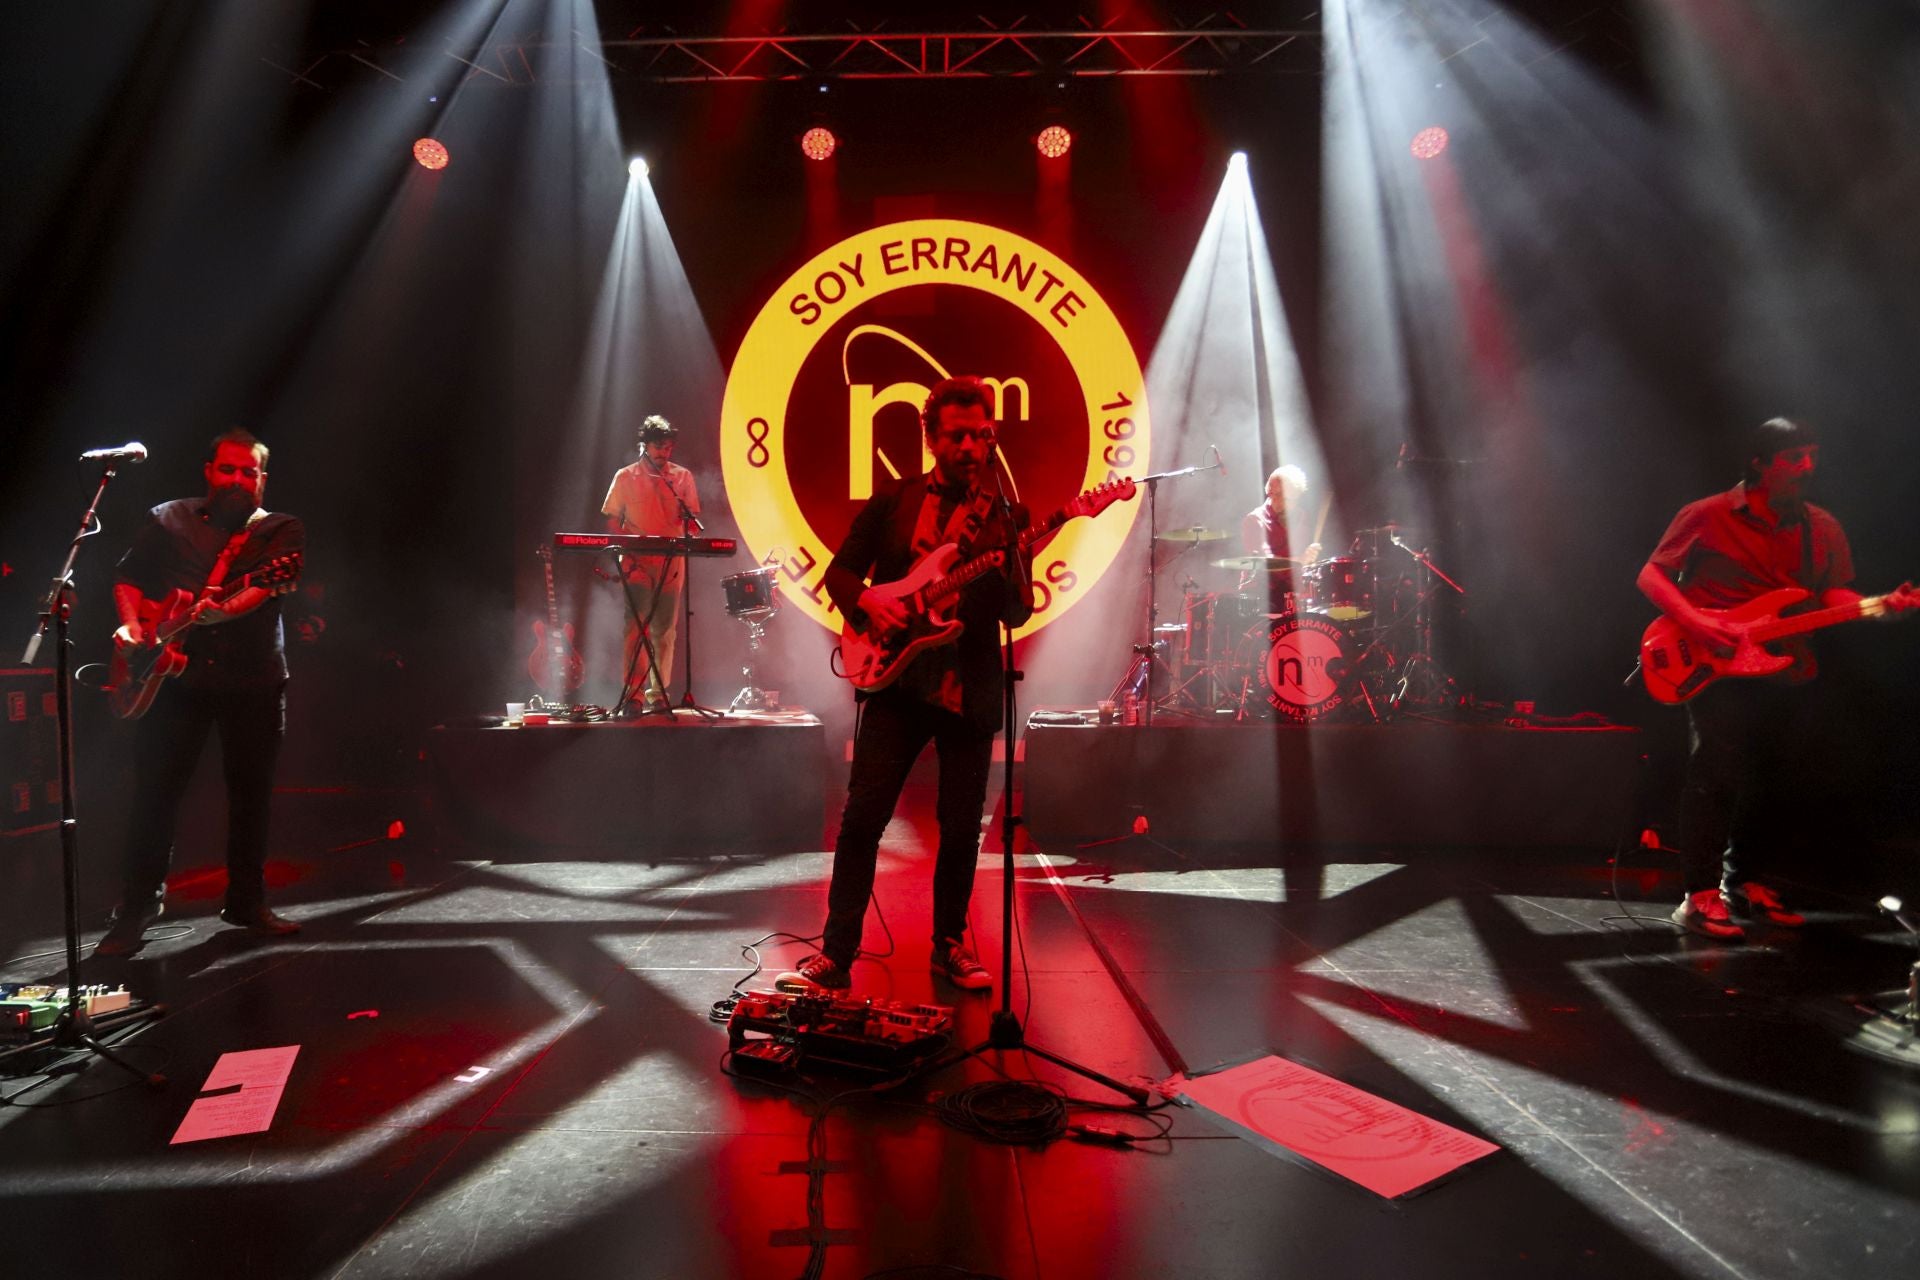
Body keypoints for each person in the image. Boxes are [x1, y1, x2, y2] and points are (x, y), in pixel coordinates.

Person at [779, 377, 1033, 994]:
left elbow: (1017, 612)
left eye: (980, 434)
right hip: (894, 681)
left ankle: (950, 944)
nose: (970, 446)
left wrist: (1002, 561)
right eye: (957, 435)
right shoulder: (893, 501)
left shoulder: (1005, 515)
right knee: (863, 818)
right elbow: (840, 572)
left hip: (965, 688)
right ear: (931, 437)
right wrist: (868, 600)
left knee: (959, 826)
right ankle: (837, 950)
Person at [1638, 417, 1915, 940]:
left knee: (1775, 775)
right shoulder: (1707, 514)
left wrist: (1880, 608)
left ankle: (1747, 880)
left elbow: (1834, 595)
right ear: (1760, 464)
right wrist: (1699, 622)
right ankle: (1698, 896)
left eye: (1811, 455)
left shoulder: (1821, 526)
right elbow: (1651, 574)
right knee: (1717, 769)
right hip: (1713, 663)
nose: (1808, 467)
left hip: (1786, 668)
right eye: (1795, 457)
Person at [96, 429, 306, 956]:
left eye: (249, 472)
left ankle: (246, 901)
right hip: (172, 678)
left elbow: (260, 588)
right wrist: (131, 628)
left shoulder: (280, 530)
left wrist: (221, 610)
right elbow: (127, 577)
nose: (238, 480)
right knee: (155, 796)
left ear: (262, 479)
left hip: (254, 678)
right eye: (229, 470)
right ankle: (138, 907)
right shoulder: (167, 518)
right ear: (210, 471)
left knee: (250, 798)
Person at [601, 414, 701, 712]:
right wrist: (626, 555)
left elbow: (693, 521)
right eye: (658, 447)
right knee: (635, 628)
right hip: (637, 561)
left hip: (671, 563)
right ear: (643, 445)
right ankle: (632, 694)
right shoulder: (625, 476)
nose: (664, 453)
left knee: (665, 630)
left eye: (668, 447)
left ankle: (658, 694)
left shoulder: (682, 477)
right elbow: (612, 521)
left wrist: (690, 529)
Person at [1240, 464, 1323, 562]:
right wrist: (1300, 560)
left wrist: (1310, 553)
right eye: (1285, 497)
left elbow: (1302, 555)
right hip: (1262, 577)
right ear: (1270, 493)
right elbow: (1265, 562)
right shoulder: (1254, 520)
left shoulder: (1300, 515)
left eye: (1294, 498)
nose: (1291, 504)